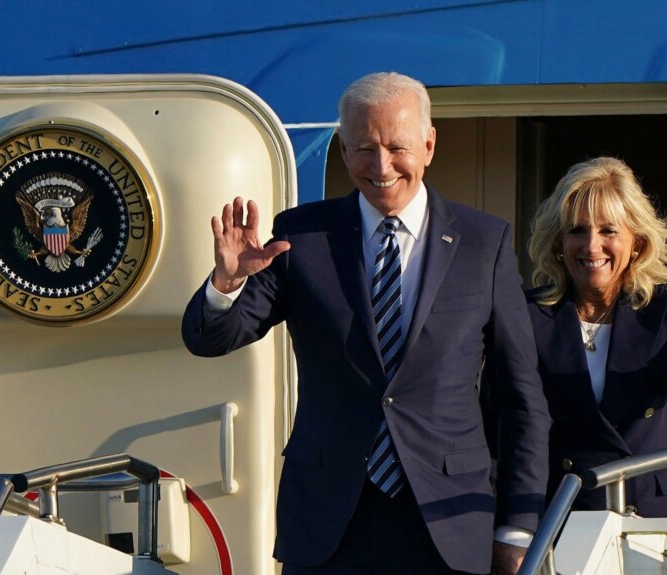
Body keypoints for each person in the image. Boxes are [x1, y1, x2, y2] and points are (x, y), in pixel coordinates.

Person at [182, 72, 549, 574]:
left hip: (448, 524)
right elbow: (214, 339)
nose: (381, 167)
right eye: (363, 149)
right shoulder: (301, 236)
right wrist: (226, 284)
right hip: (329, 524)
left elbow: (521, 401)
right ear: (341, 148)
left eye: (397, 147)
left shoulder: (484, 245)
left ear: (429, 144)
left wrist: (518, 526)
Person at [525, 156, 667, 517]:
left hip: (655, 517)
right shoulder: (530, 315)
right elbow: (504, 430)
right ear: (559, 242)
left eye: (609, 231)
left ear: (636, 243)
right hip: (566, 516)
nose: (592, 246)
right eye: (578, 230)